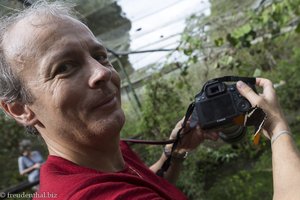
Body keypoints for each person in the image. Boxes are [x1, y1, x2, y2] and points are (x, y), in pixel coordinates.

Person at [0, 1, 299, 199]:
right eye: (64, 67)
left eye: (100, 56)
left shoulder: (100, 155)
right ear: (20, 109)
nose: (102, 73)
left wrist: (176, 152)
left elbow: (146, 185)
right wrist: (276, 128)